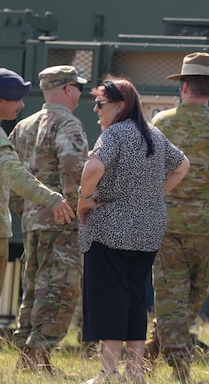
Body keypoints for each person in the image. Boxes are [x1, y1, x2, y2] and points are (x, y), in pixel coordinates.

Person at [77, 76, 189, 383]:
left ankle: (108, 374)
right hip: (149, 229)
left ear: (120, 105)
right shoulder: (154, 134)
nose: (96, 110)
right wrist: (152, 195)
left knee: (111, 300)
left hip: (111, 230)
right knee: (136, 300)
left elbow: (93, 168)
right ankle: (135, 374)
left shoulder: (114, 134)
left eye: (100, 104)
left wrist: (83, 200)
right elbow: (183, 165)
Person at [147, 52, 209, 382]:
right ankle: (180, 366)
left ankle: (158, 344)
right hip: (207, 229)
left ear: (184, 86)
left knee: (168, 295)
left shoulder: (161, 123)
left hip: (167, 225)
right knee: (193, 296)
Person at [10, 65, 89, 374]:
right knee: (60, 288)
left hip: (32, 220)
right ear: (68, 89)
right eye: (79, 87)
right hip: (61, 220)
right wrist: (75, 205)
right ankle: (38, 358)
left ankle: (28, 358)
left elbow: (10, 173)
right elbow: (71, 163)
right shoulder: (68, 123)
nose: (81, 93)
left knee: (33, 287)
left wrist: (25, 207)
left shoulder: (24, 125)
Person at [0, 69, 73, 322]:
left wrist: (28, 208)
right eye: (16, 99)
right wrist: (53, 200)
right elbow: (14, 175)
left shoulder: (15, 129)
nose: (22, 105)